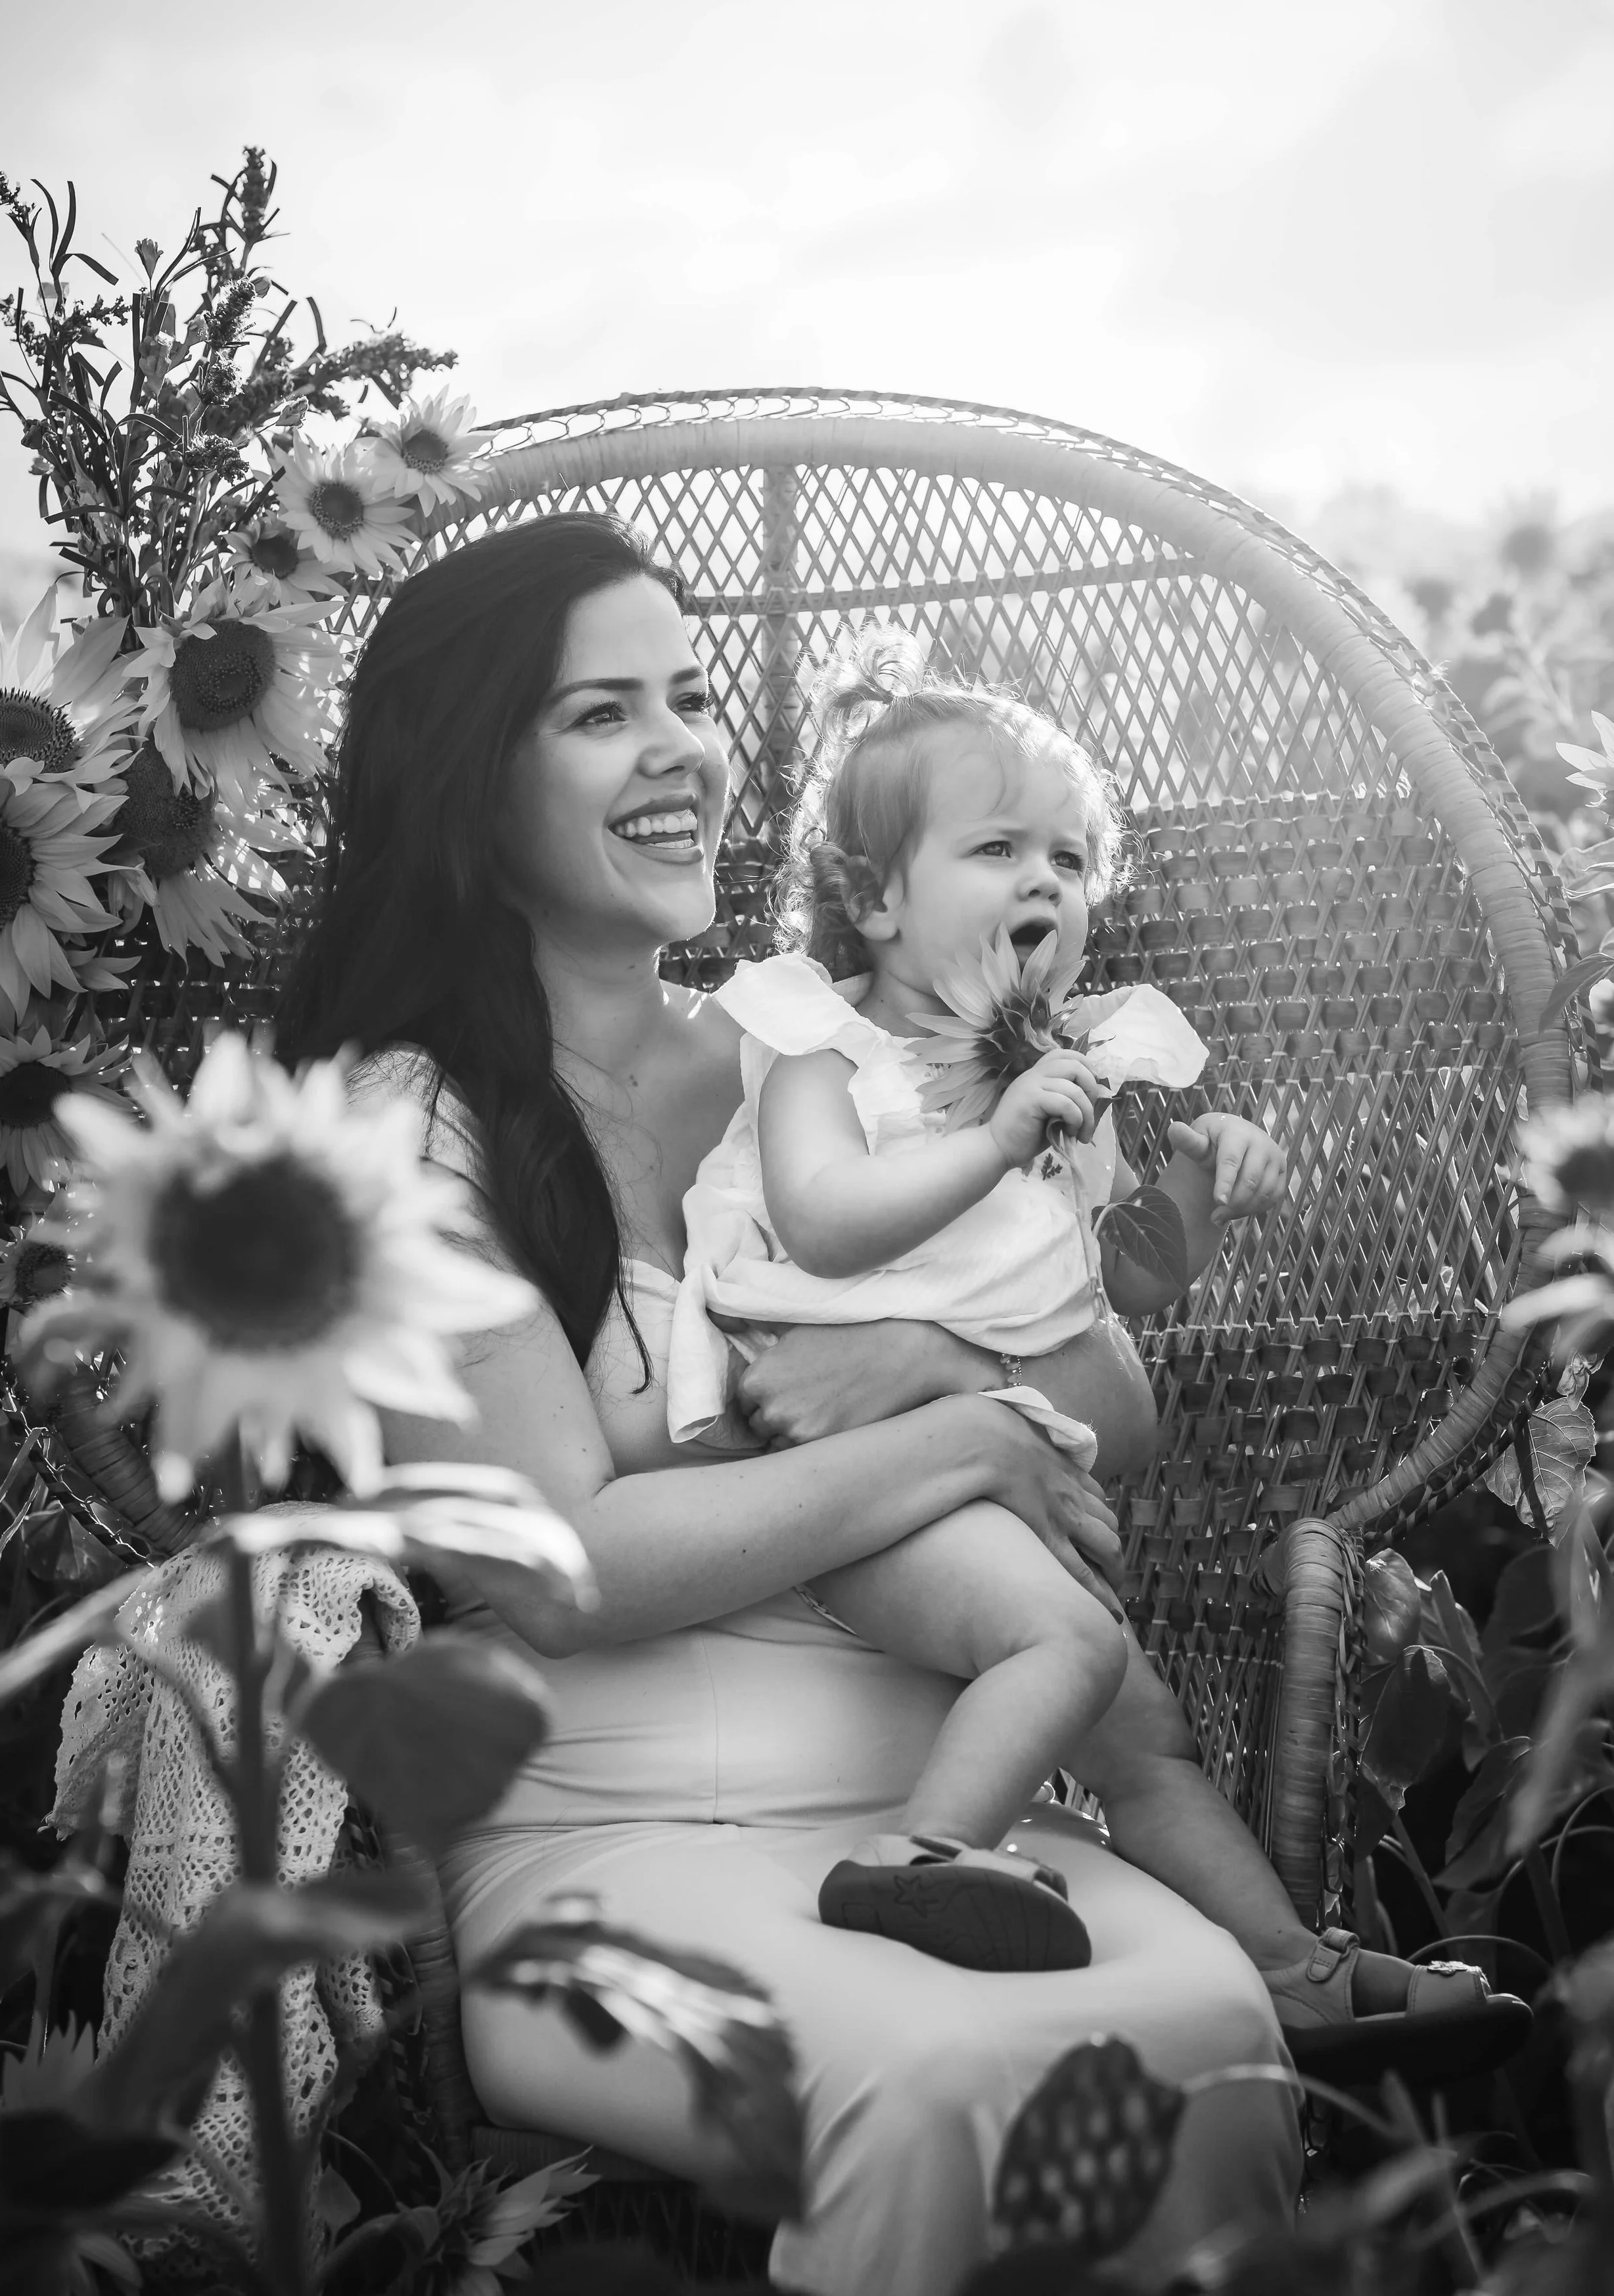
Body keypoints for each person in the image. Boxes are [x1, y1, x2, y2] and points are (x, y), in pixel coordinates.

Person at [273, 511, 1495, 2295]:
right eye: (602, 712)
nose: (680, 749)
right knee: (936, 2080)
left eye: (689, 698)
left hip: (964, 1808)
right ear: (468, 781)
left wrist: (941, 1362)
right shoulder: (410, 1119)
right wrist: (961, 1435)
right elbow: (564, 1568)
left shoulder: (824, 1049)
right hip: (619, 1833)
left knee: (1215, 2048)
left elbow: (1112, 1412)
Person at [663, 630, 1284, 1973]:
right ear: (875, 900)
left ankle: (1303, 1974)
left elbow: (1122, 1285)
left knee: (1150, 1742)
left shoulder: (1066, 1070)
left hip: (1006, 1461)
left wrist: (1199, 1185)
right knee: (1066, 1648)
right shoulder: (827, 1047)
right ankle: (923, 1857)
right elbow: (825, 1223)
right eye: (998, 849)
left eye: (1070, 858)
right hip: (847, 1466)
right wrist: (999, 1140)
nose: (1044, 881)